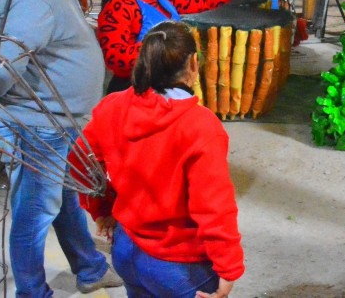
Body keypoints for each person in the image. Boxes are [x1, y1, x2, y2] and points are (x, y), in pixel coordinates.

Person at [0, 0, 122, 297]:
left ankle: (90, 268)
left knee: (63, 194)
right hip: (41, 123)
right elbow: (7, 64)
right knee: (34, 212)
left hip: (57, 120)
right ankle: (31, 292)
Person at [71, 21, 244, 298]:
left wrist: (101, 210)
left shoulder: (112, 106)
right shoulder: (201, 126)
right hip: (178, 265)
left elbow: (80, 161)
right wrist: (228, 267)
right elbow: (213, 205)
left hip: (126, 250)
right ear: (193, 64)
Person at [96, 0, 263, 93]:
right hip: (134, 88)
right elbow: (114, 57)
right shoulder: (119, 7)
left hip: (166, 84)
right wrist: (164, 49)